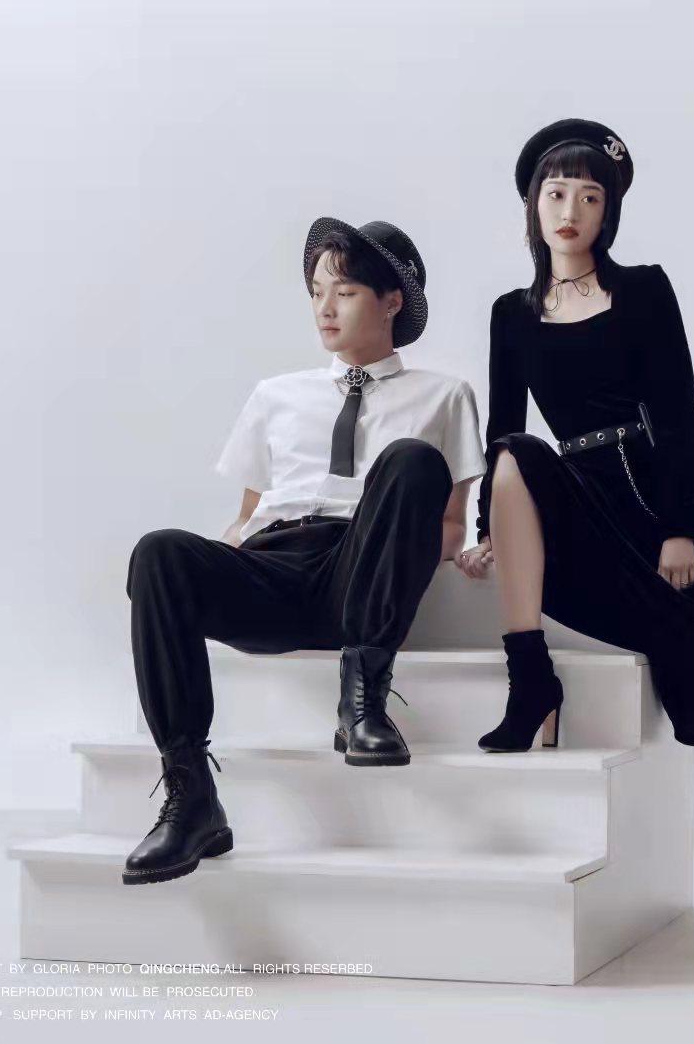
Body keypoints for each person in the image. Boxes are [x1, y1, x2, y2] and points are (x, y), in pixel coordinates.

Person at [456, 119, 694, 949]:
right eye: (556, 193)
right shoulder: (510, 315)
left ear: (610, 213)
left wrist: (682, 527)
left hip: (657, 493)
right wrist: (489, 525)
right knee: (517, 451)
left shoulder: (644, 291)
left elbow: (679, 412)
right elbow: (501, 432)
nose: (571, 210)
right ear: (532, 205)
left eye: (590, 197)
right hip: (579, 507)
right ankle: (531, 679)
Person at [122, 217, 486, 885]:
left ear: (392, 301)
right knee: (159, 554)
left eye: (344, 292)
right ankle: (191, 796)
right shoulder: (276, 395)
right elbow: (246, 517)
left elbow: (451, 524)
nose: (325, 308)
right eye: (317, 292)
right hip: (275, 563)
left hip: (360, 568)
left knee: (410, 460)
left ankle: (362, 704)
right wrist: (206, 574)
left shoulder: (445, 396)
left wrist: (404, 556)